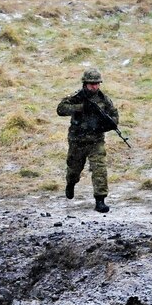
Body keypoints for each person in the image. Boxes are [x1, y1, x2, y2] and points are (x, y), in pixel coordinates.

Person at [57, 68, 119, 213]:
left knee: (100, 169)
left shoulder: (104, 99)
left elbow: (114, 116)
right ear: (85, 84)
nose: (95, 87)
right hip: (77, 141)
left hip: (96, 141)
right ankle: (71, 183)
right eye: (92, 84)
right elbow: (61, 109)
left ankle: (100, 200)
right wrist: (81, 108)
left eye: (97, 84)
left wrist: (105, 124)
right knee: (74, 169)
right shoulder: (77, 97)